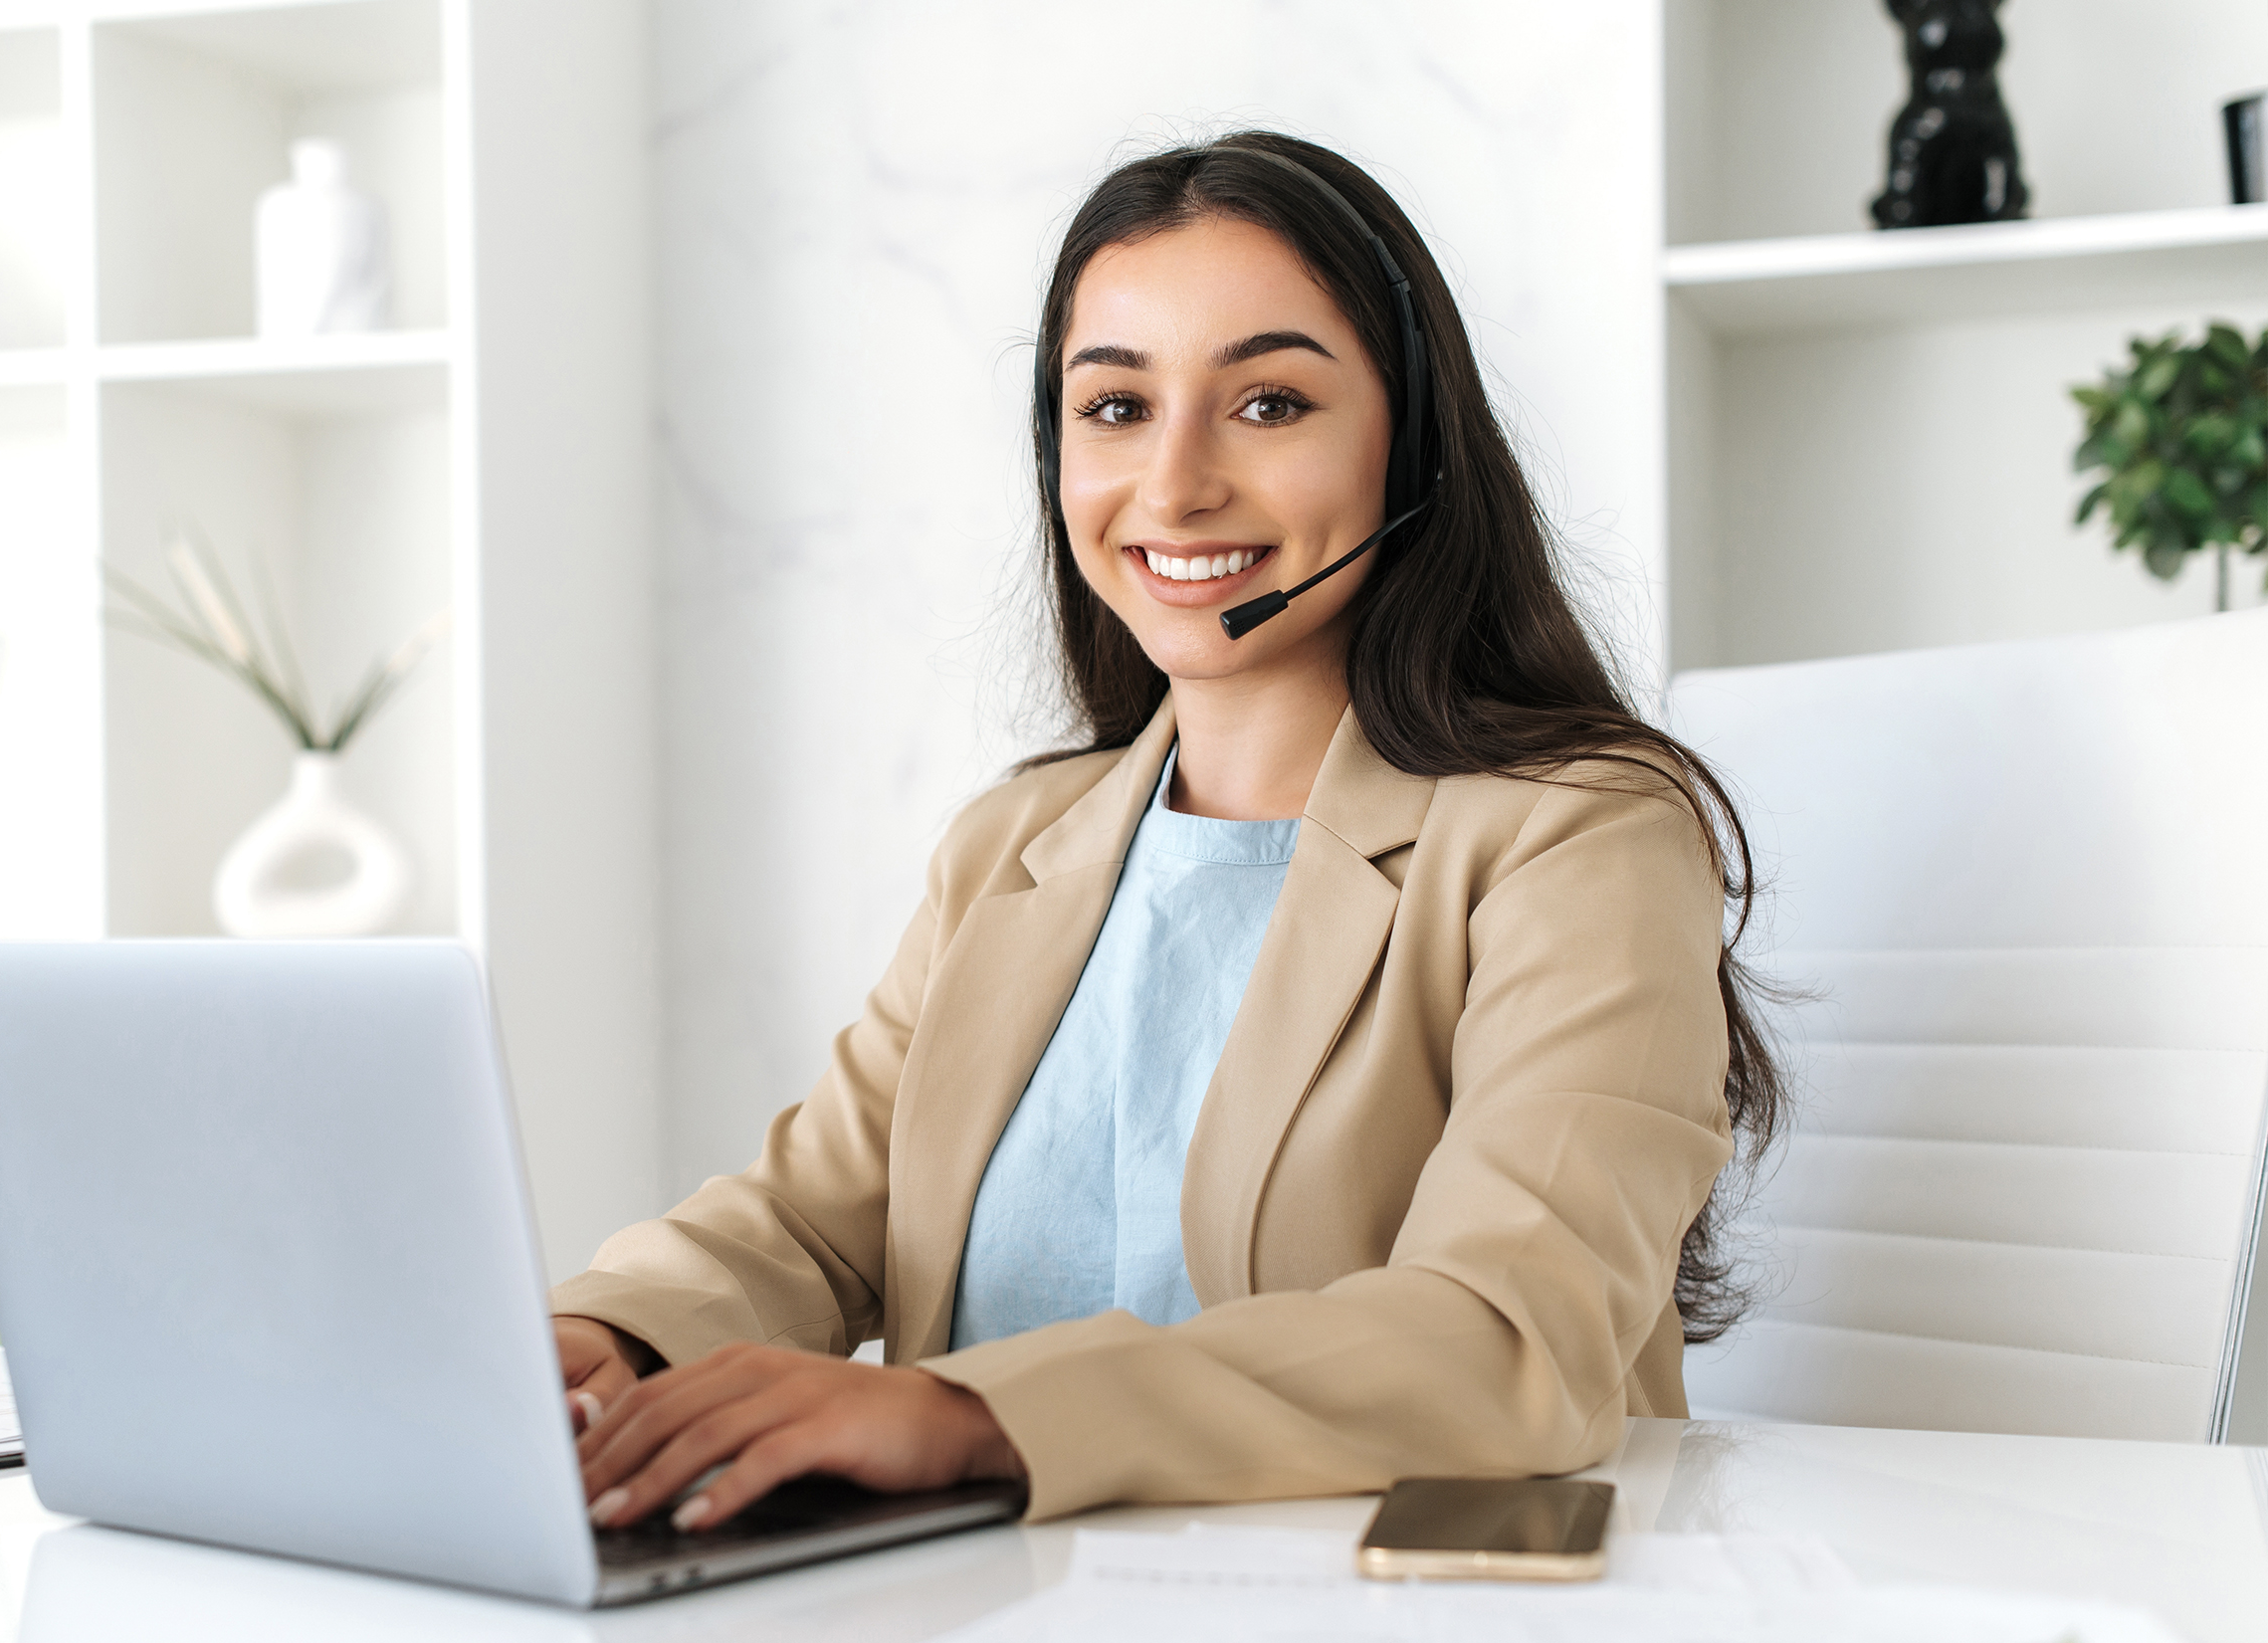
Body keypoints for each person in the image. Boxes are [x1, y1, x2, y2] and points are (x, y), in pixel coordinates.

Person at [552, 130, 1781, 1534]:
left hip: (1399, 1624)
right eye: (1117, 408)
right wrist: (606, 1340)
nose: (1177, 482)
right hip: (995, 1608)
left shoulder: (1580, 835)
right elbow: (810, 1214)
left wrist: (973, 1415)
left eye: (1266, 404)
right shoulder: (1016, 842)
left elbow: (1508, 1338)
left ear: (1411, 443)